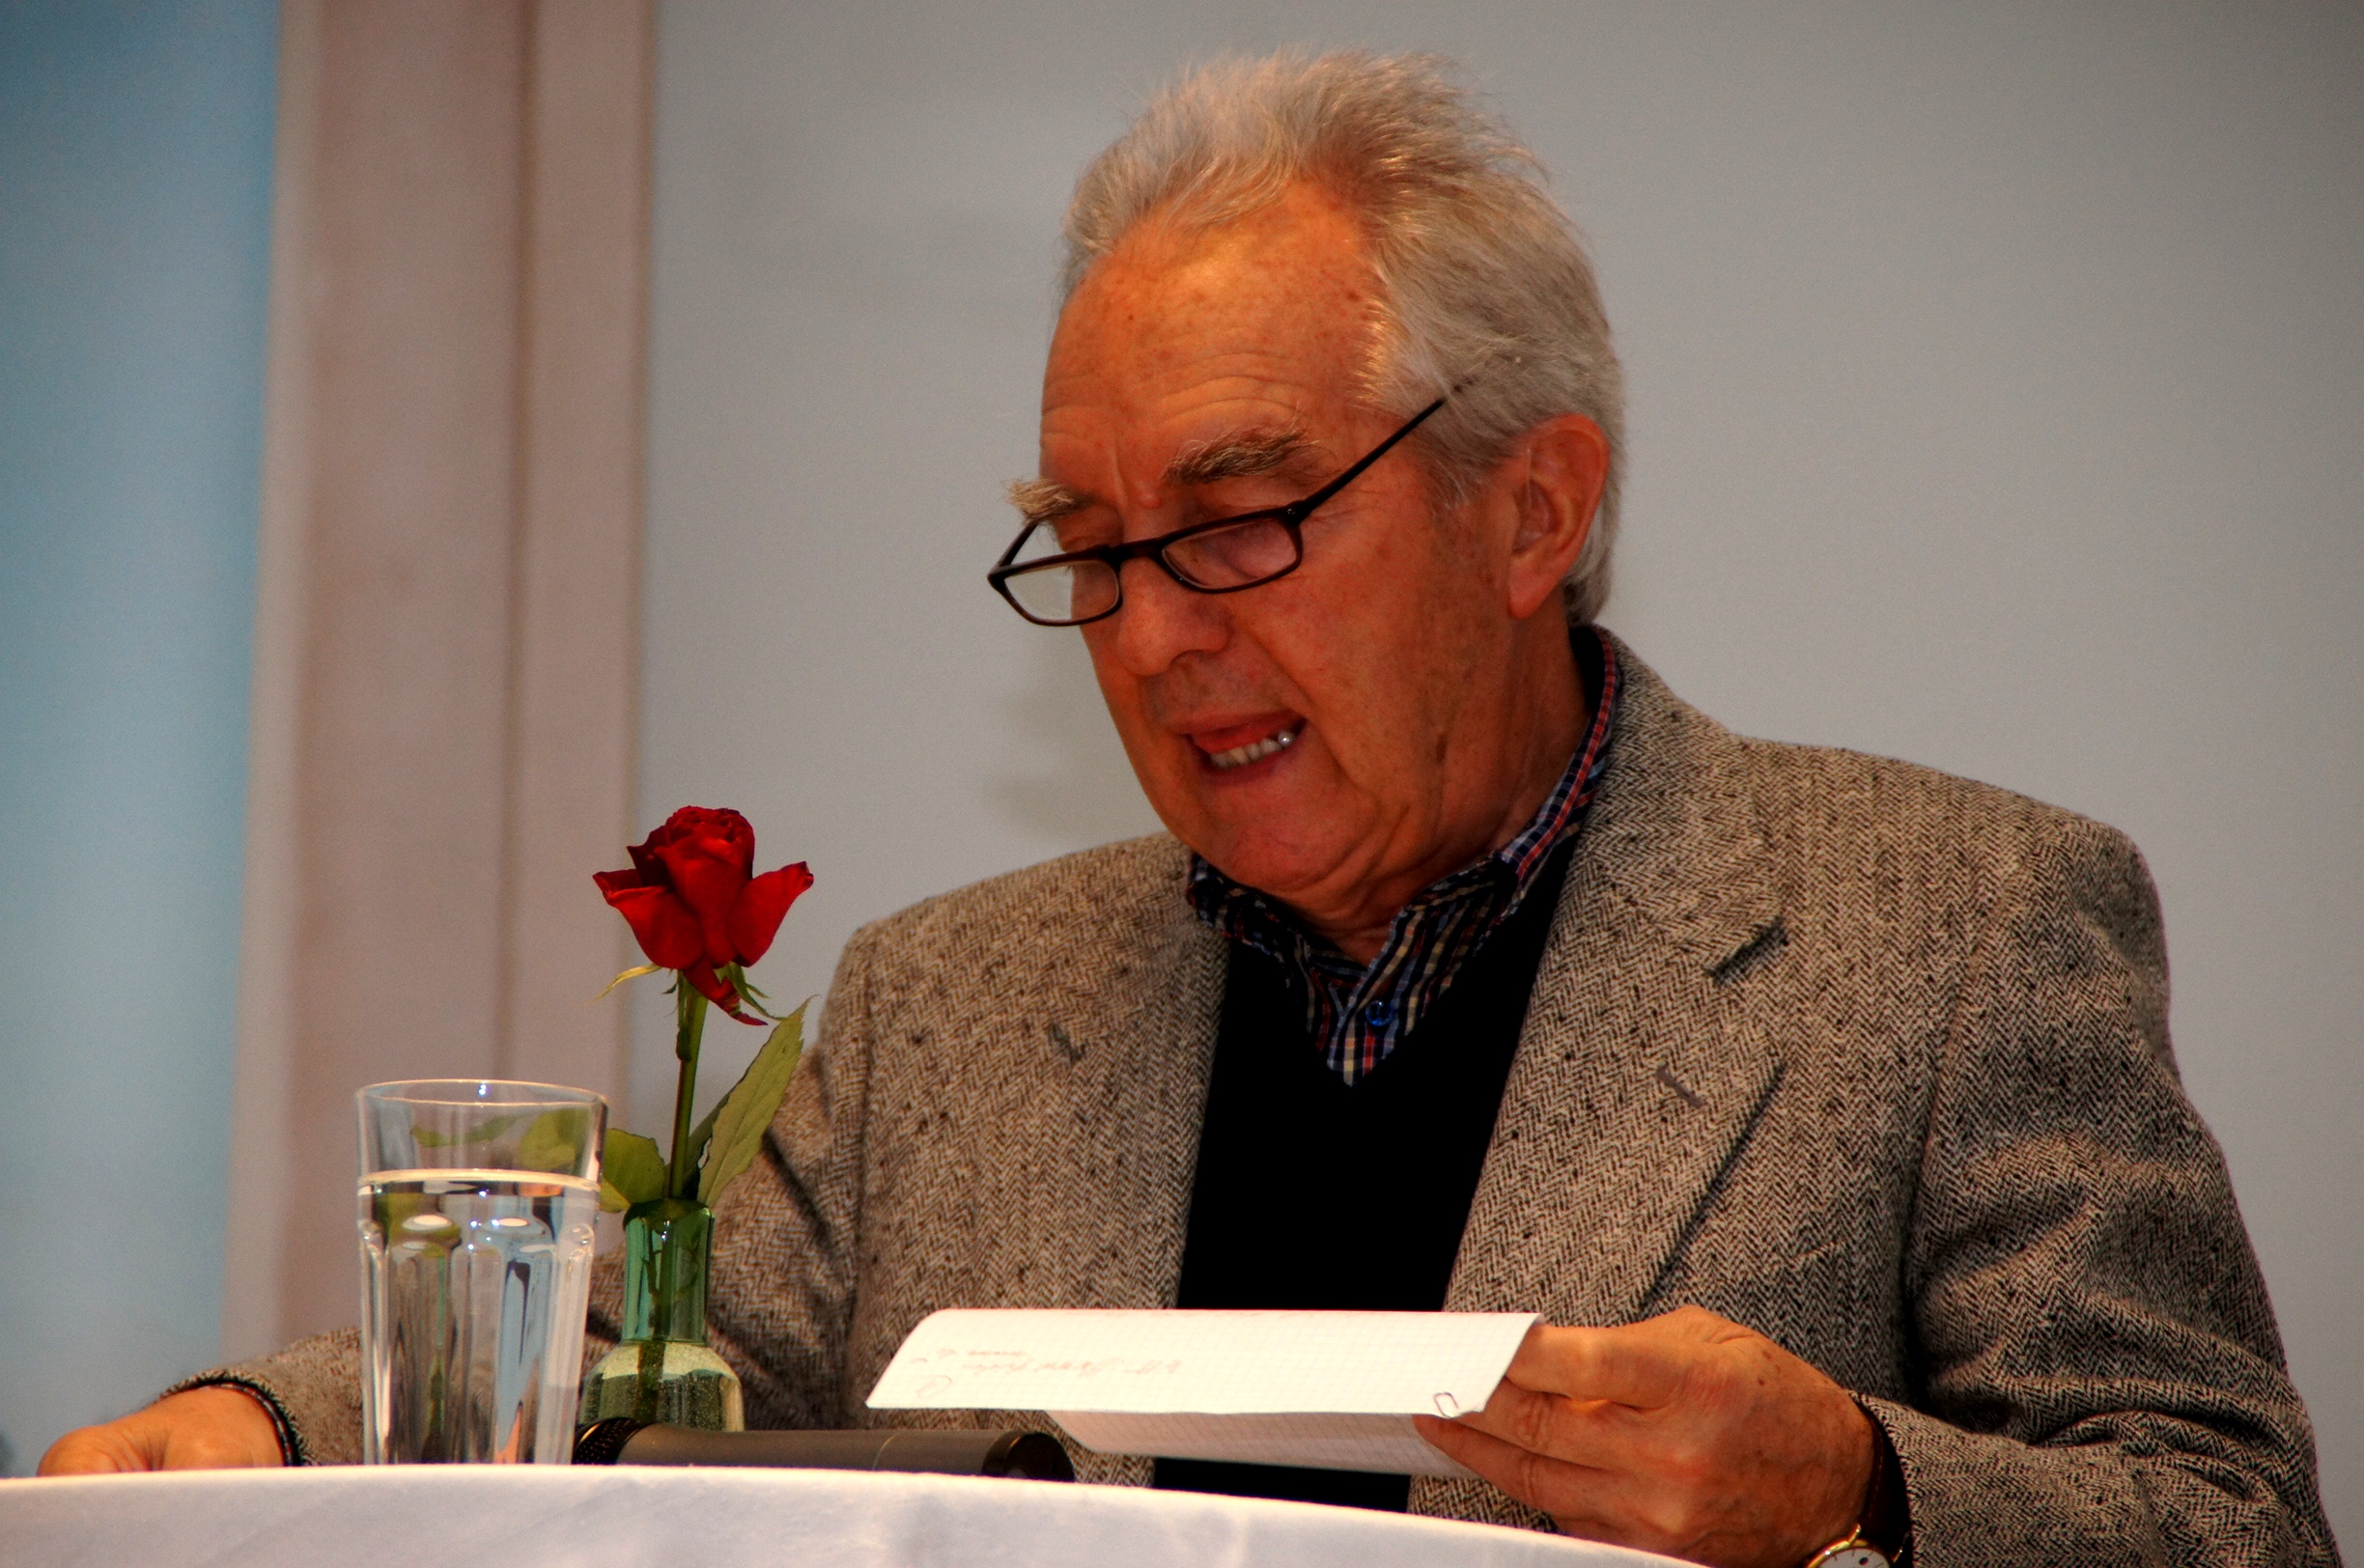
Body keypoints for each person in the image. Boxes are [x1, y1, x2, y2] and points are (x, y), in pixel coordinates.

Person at [43, 49, 2337, 1568]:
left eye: (1242, 518)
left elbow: (2230, 1520)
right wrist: (269, 1420)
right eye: (1094, 546)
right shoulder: (947, 1006)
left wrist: (1859, 1487)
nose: (1148, 634)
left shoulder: (1953, 927)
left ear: (1532, 507)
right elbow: (639, 1391)